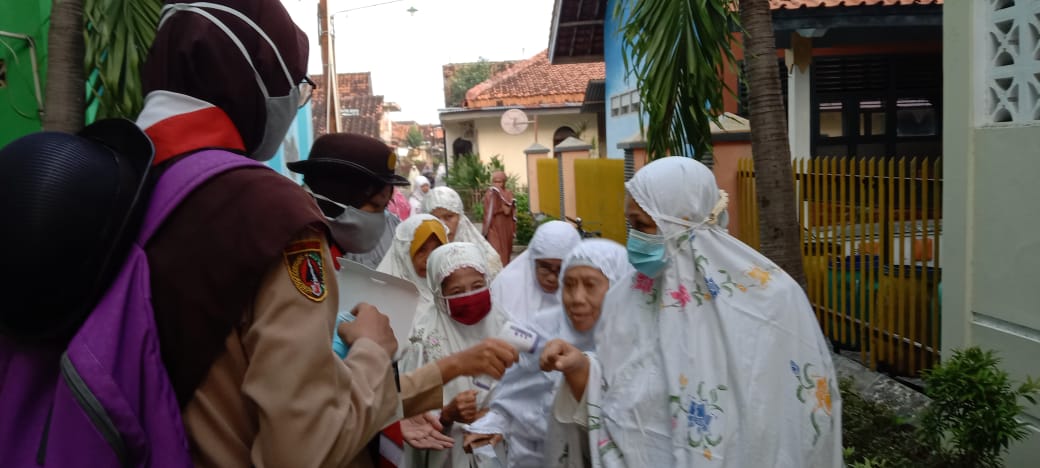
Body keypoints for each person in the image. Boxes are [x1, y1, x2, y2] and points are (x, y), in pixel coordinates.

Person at [133, 1, 406, 466]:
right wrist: (374, 353)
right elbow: (301, 448)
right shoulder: (270, 214)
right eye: (296, 85)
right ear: (258, 79)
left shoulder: (113, 171)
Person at [540, 157, 842, 467]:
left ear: (682, 220)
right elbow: (616, 390)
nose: (634, 239)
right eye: (631, 226)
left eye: (643, 225)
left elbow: (784, 418)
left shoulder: (769, 300)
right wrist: (579, 367)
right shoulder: (628, 296)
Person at [464, 239, 634, 468]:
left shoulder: (637, 345)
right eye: (569, 285)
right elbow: (516, 390)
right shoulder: (542, 329)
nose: (576, 298)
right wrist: (496, 424)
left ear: (618, 287)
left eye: (590, 285)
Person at [399, 242, 508, 468]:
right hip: (448, 452)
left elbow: (530, 392)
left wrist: (497, 416)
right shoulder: (423, 340)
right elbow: (412, 411)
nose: (470, 296)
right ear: (439, 295)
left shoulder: (506, 328)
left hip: (503, 447)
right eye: (457, 292)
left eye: (478, 285)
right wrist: (447, 414)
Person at [491, 220, 580, 323]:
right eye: (545, 267)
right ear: (531, 261)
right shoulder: (505, 288)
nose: (552, 278)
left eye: (562, 269)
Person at [423, 186, 504, 278]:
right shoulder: (420, 260)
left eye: (448, 217)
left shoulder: (485, 258)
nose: (442, 225)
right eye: (435, 218)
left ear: (460, 218)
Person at [482, 171, 517, 266]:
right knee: (495, 252)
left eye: (500, 182)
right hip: (493, 228)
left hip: (505, 228)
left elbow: (507, 211)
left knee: (505, 252)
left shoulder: (508, 193)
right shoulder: (489, 194)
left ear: (504, 182)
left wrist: (500, 200)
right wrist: (485, 231)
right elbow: (487, 214)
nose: (497, 185)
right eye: (495, 182)